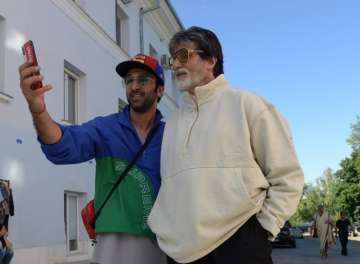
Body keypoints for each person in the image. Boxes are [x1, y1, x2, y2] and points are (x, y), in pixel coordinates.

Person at [148, 26, 304, 264]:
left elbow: (288, 177)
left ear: (211, 60)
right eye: (173, 59)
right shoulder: (172, 122)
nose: (176, 65)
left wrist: (262, 231)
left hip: (239, 244)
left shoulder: (247, 104)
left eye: (183, 56)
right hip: (180, 252)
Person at [19, 53, 166, 264]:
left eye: (143, 80)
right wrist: (38, 109)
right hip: (111, 249)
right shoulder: (106, 128)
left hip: (159, 245)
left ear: (160, 89)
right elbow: (61, 146)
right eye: (129, 80)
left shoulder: (170, 135)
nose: (134, 86)